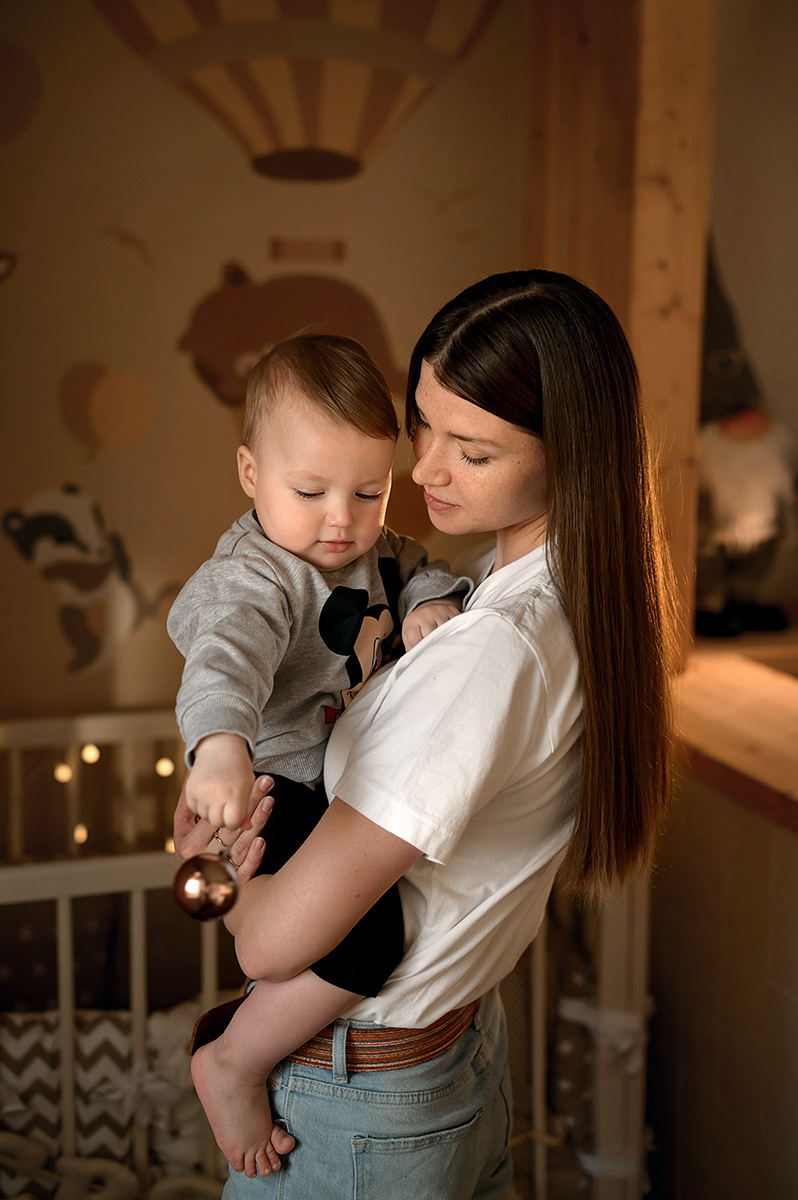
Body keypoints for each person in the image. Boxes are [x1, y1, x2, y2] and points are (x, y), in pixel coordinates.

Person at [173, 269, 675, 1200]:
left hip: (366, 1105)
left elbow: (266, 949)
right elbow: (227, 651)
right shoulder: (554, 598)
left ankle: (231, 1059)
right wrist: (221, 745)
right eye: (424, 425)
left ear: (572, 451)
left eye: (473, 451)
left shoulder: (490, 653)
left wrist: (212, 871)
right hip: (445, 1060)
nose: (427, 470)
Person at [168, 333, 472, 1177]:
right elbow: (224, 658)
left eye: (368, 491)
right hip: (274, 775)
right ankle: (233, 1058)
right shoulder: (257, 579)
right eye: (310, 491)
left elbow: (417, 566)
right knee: (368, 941)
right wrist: (221, 746)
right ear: (250, 474)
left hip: (333, 777)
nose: (341, 519)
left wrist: (427, 607)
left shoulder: (371, 546)